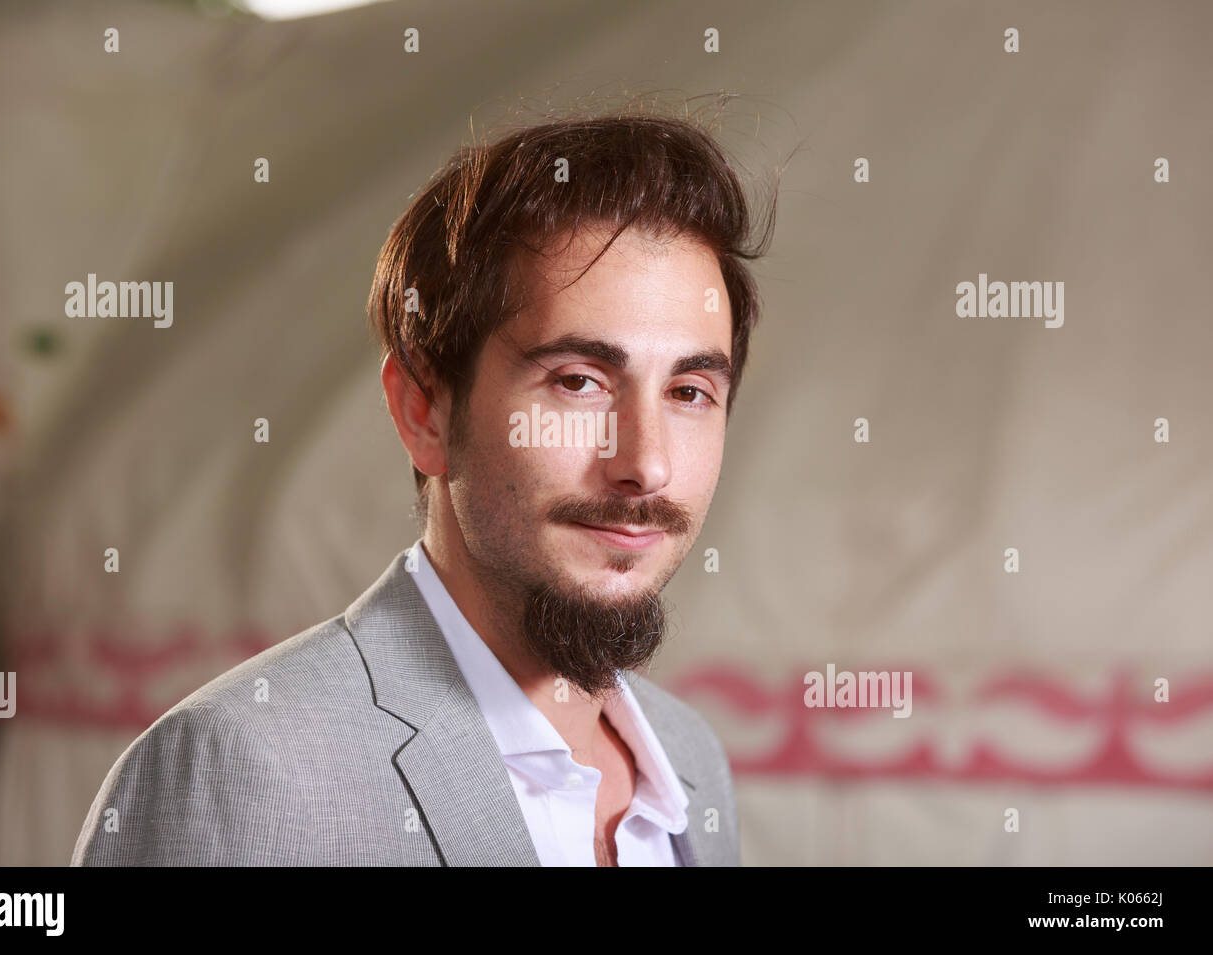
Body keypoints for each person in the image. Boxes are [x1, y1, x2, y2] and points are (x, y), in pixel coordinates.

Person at [72, 110, 775, 866]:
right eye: (578, 382)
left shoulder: (689, 766)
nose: (647, 464)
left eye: (690, 391)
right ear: (424, 412)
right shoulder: (241, 774)